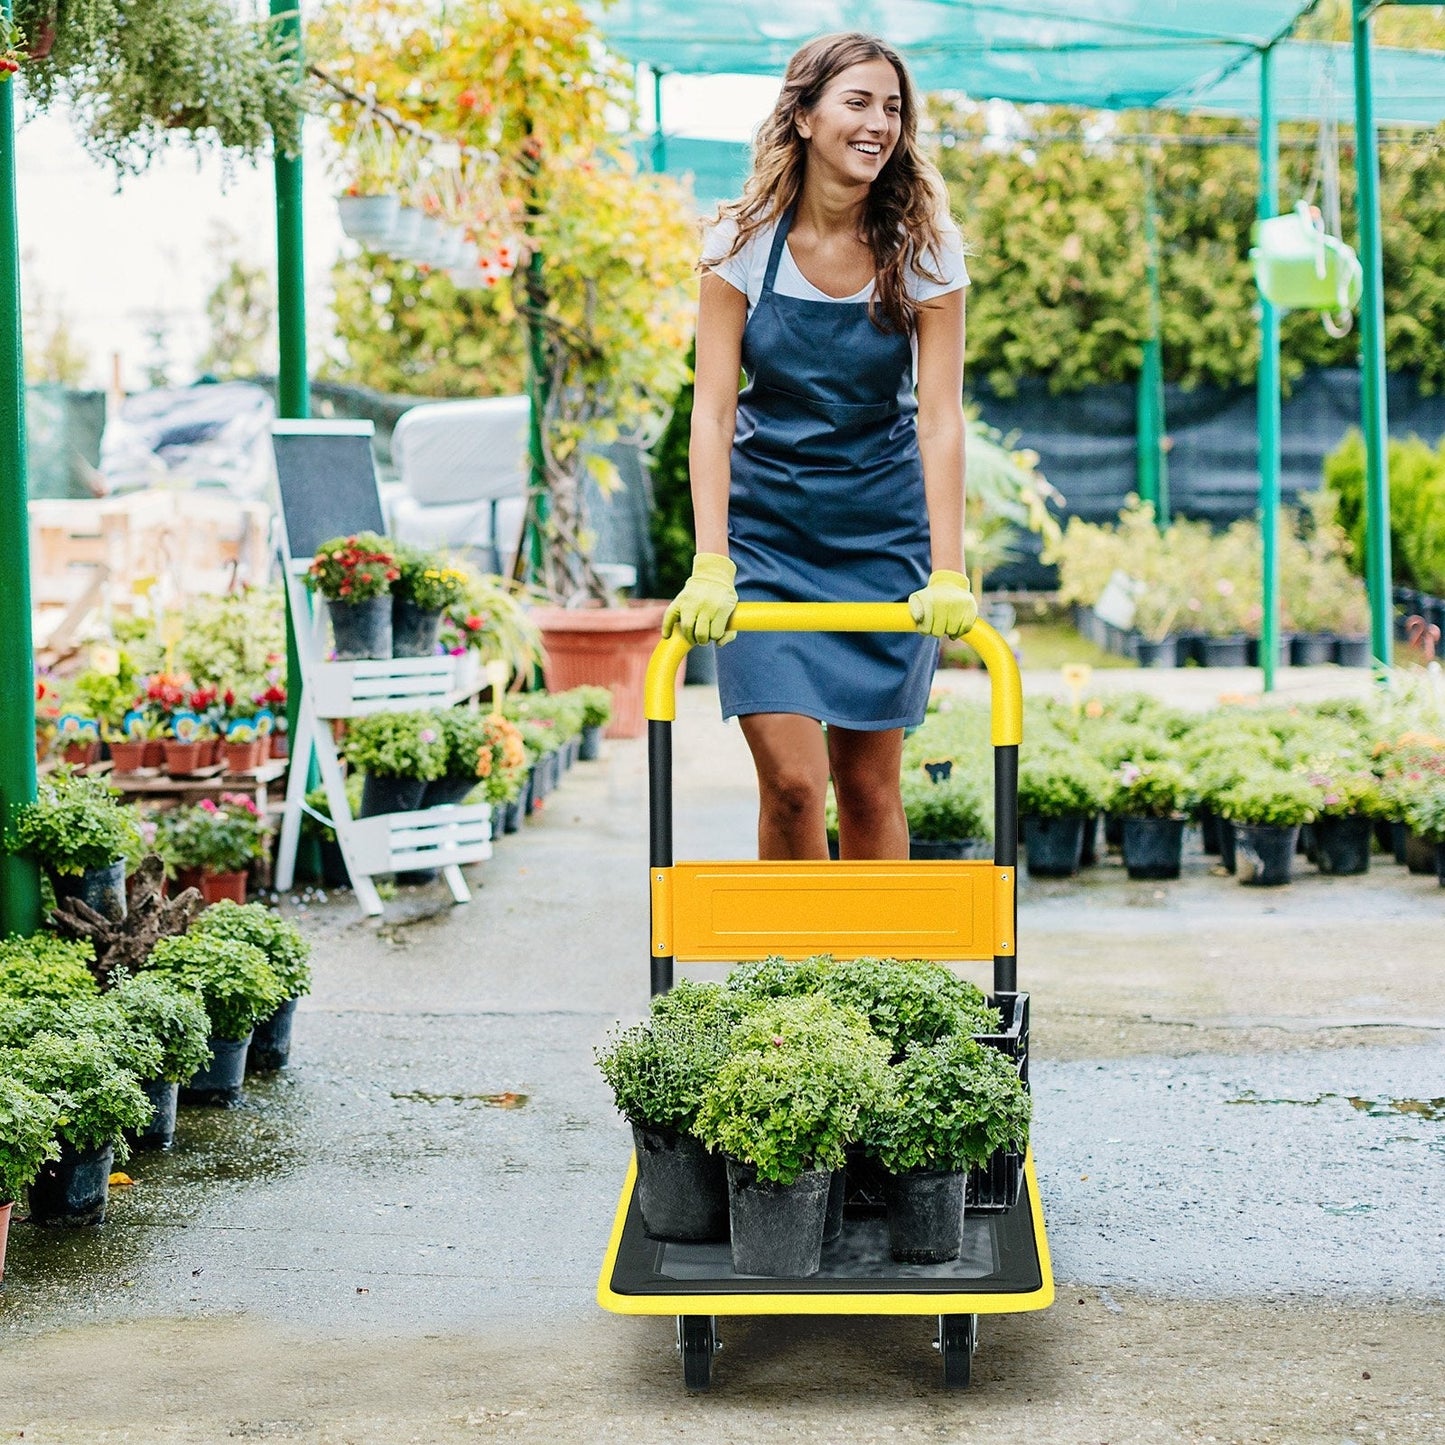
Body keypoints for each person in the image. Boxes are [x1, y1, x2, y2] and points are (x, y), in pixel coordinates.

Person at [662, 31, 976, 863]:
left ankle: (877, 985)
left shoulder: (923, 248)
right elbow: (712, 413)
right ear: (801, 116)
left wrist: (948, 568)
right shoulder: (739, 243)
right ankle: (796, 985)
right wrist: (711, 559)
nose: (880, 122)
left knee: (870, 790)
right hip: (768, 543)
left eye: (893, 108)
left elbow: (939, 418)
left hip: (881, 538)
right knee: (793, 784)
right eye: (858, 102)